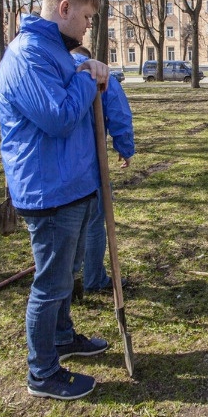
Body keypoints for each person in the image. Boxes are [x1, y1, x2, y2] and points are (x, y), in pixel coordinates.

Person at [0, 0, 112, 401]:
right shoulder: (28, 55)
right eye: (86, 17)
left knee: (66, 275)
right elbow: (59, 117)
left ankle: (62, 338)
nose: (87, 27)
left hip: (73, 185)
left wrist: (85, 73)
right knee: (51, 285)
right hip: (49, 190)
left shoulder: (55, 52)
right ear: (64, 8)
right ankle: (42, 372)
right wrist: (87, 76)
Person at [69, 45, 135, 297]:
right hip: (90, 162)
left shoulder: (52, 70)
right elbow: (119, 114)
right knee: (94, 221)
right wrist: (125, 148)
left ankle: (64, 283)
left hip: (53, 167)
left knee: (62, 224)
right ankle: (93, 277)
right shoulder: (99, 74)